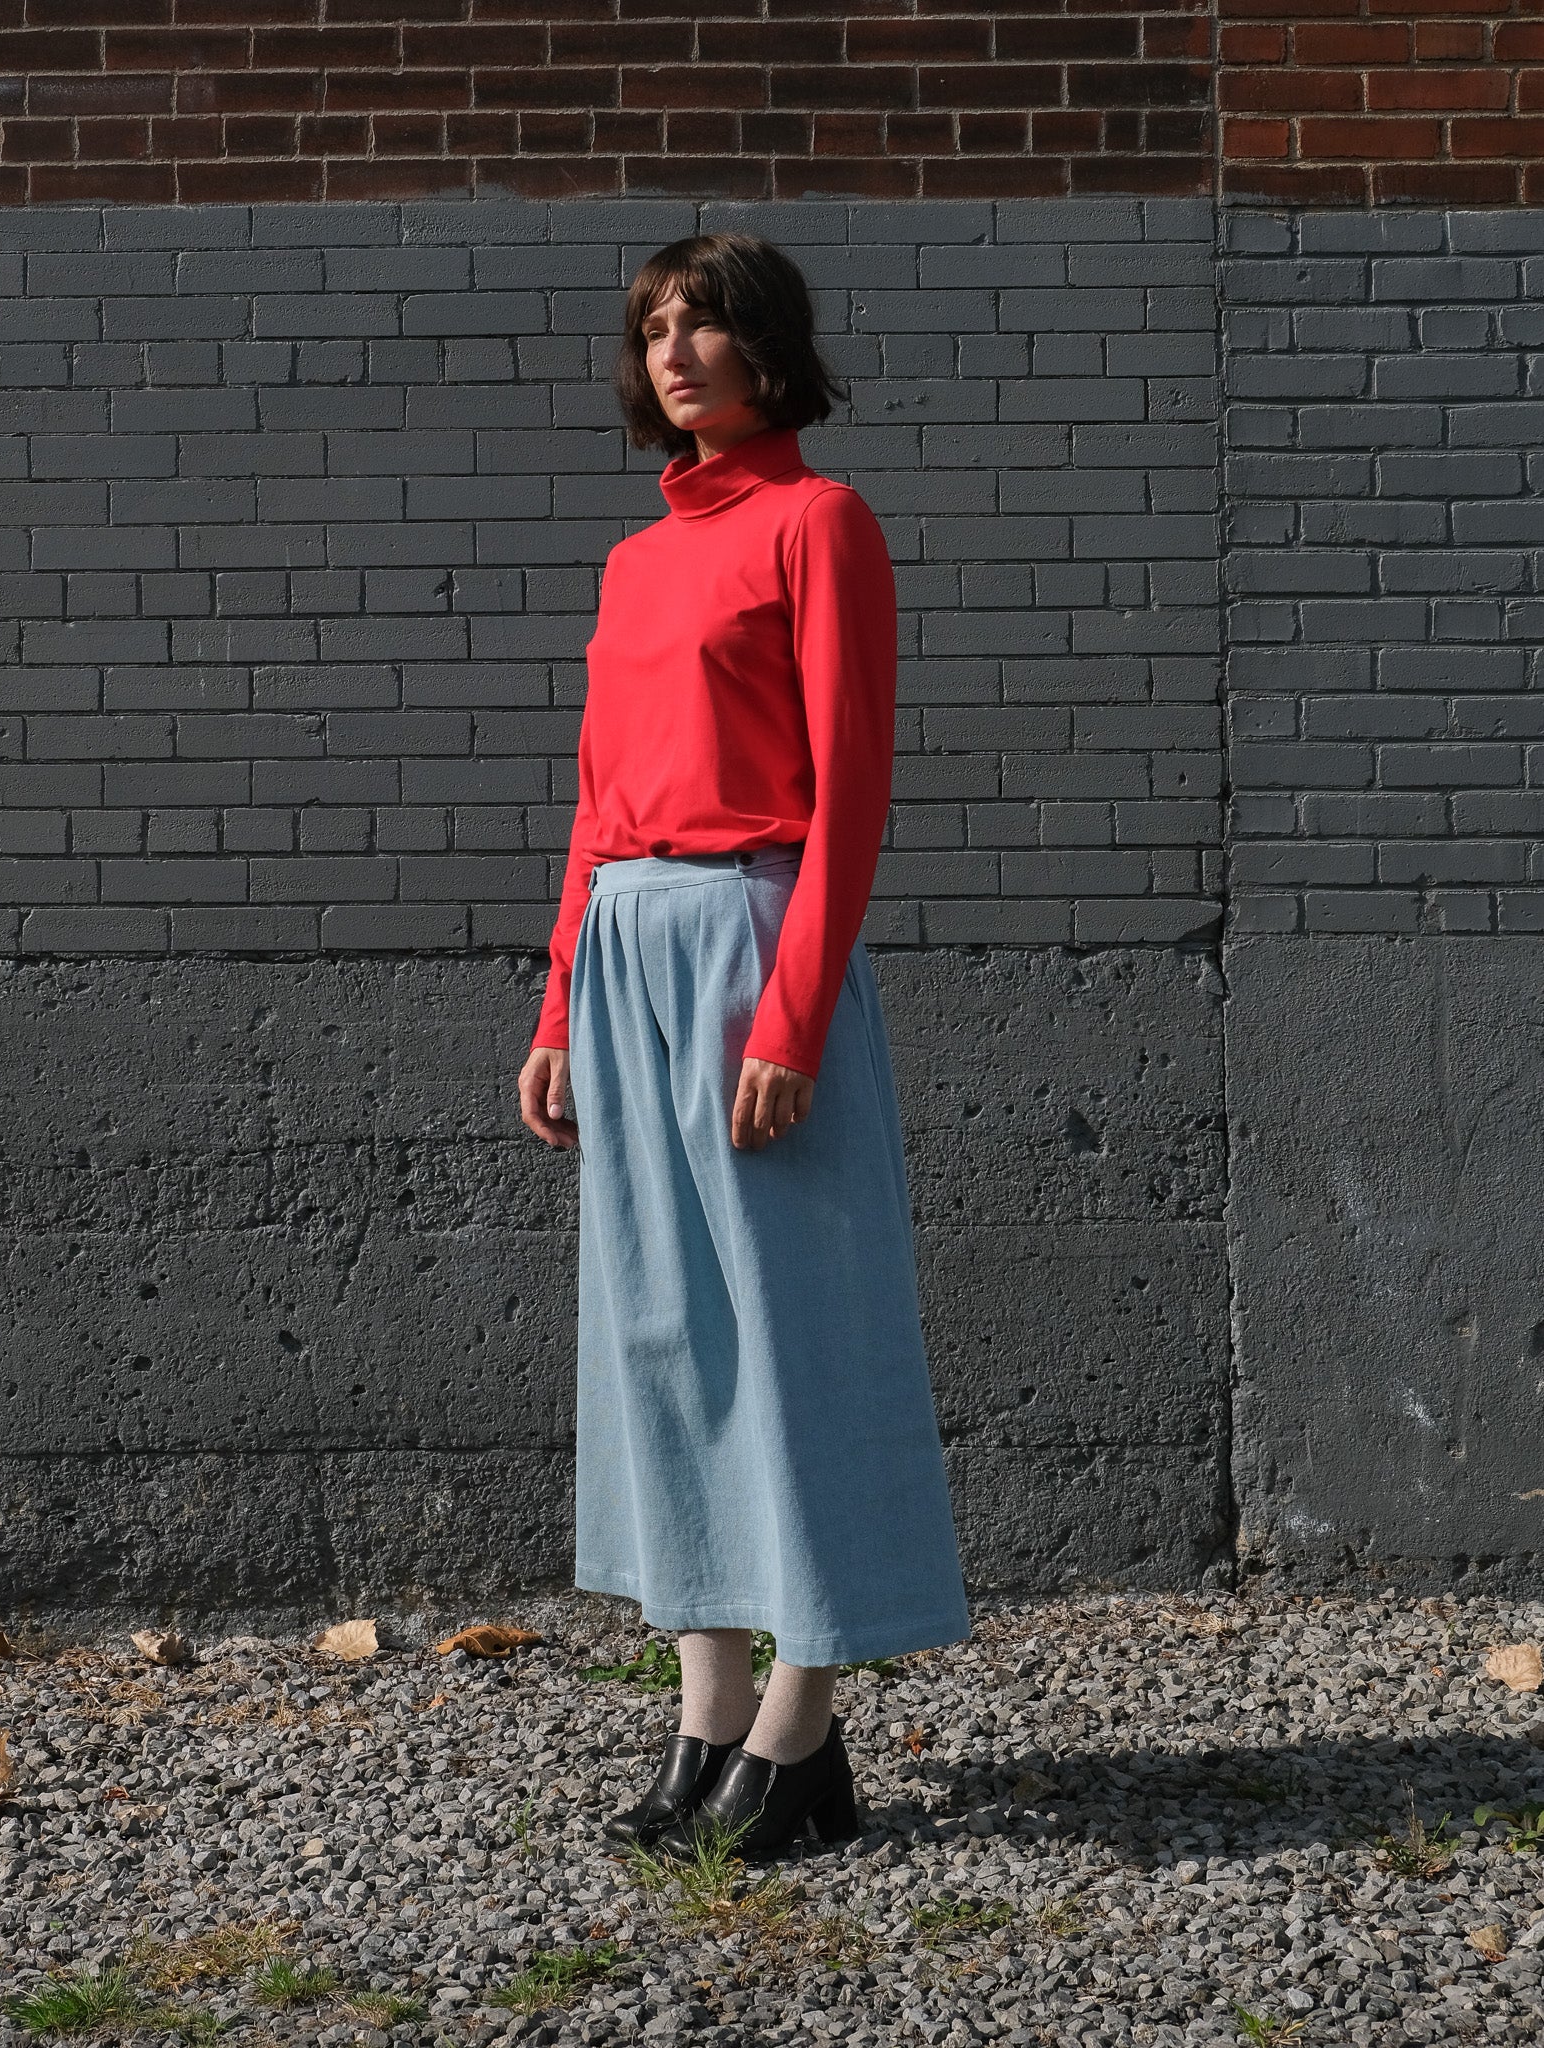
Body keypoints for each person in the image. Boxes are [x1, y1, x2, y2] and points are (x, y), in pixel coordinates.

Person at [516, 230, 970, 1862]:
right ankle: (704, 1712)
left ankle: (802, 1714)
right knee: (659, 1337)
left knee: (793, 1334)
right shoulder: (636, 562)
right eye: (653, 326)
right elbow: (594, 799)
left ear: (769, 349)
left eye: (704, 322)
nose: (675, 350)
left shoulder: (817, 523)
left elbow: (850, 788)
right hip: (625, 948)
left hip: (746, 938)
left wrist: (790, 1012)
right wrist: (559, 1005)